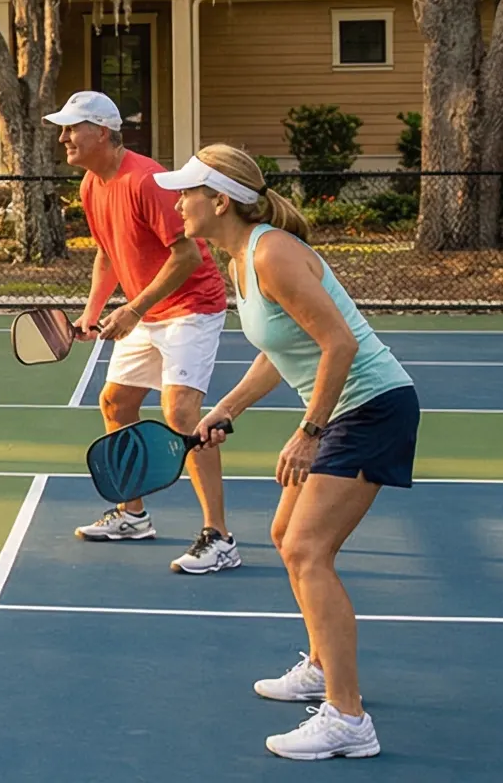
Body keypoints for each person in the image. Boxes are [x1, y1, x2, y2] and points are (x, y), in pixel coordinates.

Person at [166, 145, 420, 762]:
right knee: (286, 534)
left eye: (188, 193)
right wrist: (226, 408)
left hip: (373, 408)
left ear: (219, 200)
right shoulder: (239, 261)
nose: (179, 204)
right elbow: (280, 347)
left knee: (308, 550)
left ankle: (347, 719)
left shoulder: (271, 252)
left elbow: (337, 345)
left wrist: (309, 432)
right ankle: (320, 664)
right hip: (347, 411)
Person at [44, 90, 241, 574]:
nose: (64, 137)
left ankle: (219, 537)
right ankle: (133, 515)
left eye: (73, 128)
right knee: (116, 402)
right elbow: (109, 252)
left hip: (191, 307)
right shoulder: (93, 185)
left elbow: (188, 255)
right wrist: (92, 311)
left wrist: (132, 309)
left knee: (180, 412)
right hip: (148, 311)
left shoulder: (146, 180)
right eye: (63, 128)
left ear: (105, 133)